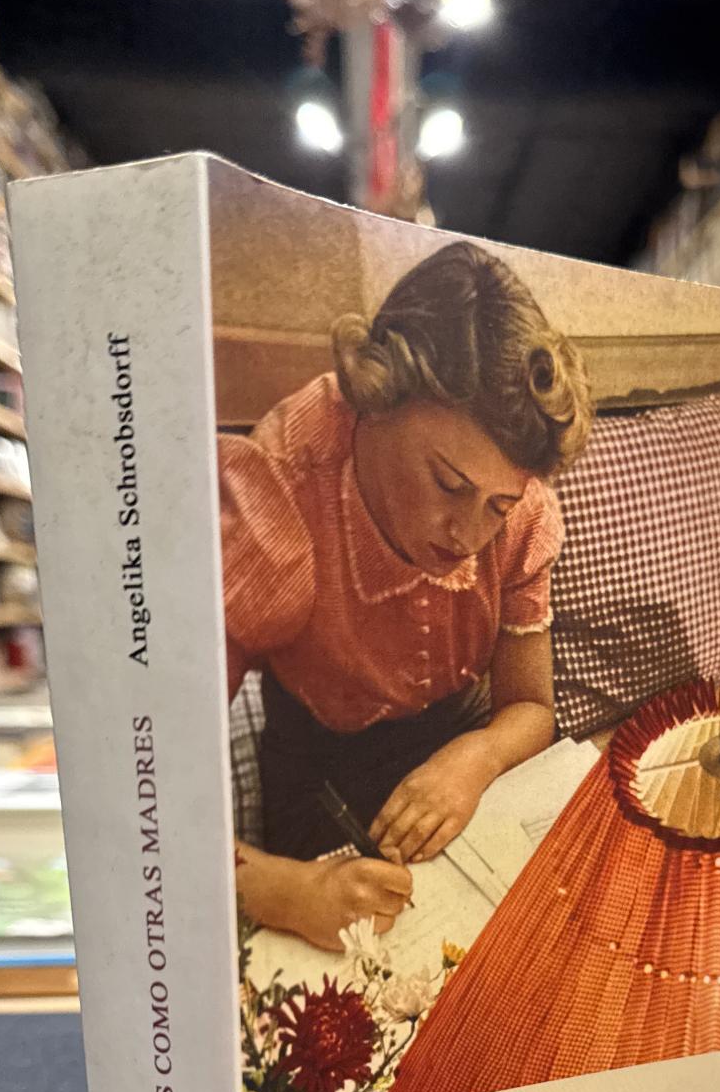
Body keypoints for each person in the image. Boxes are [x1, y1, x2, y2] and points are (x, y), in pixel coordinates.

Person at [221, 240, 593, 951]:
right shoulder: (278, 494)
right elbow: (152, 792)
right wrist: (287, 892)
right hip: (318, 757)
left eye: (498, 505)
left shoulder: (521, 513)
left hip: (459, 736)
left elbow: (530, 707)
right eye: (449, 484)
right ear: (374, 398)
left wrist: (477, 758)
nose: (470, 537)